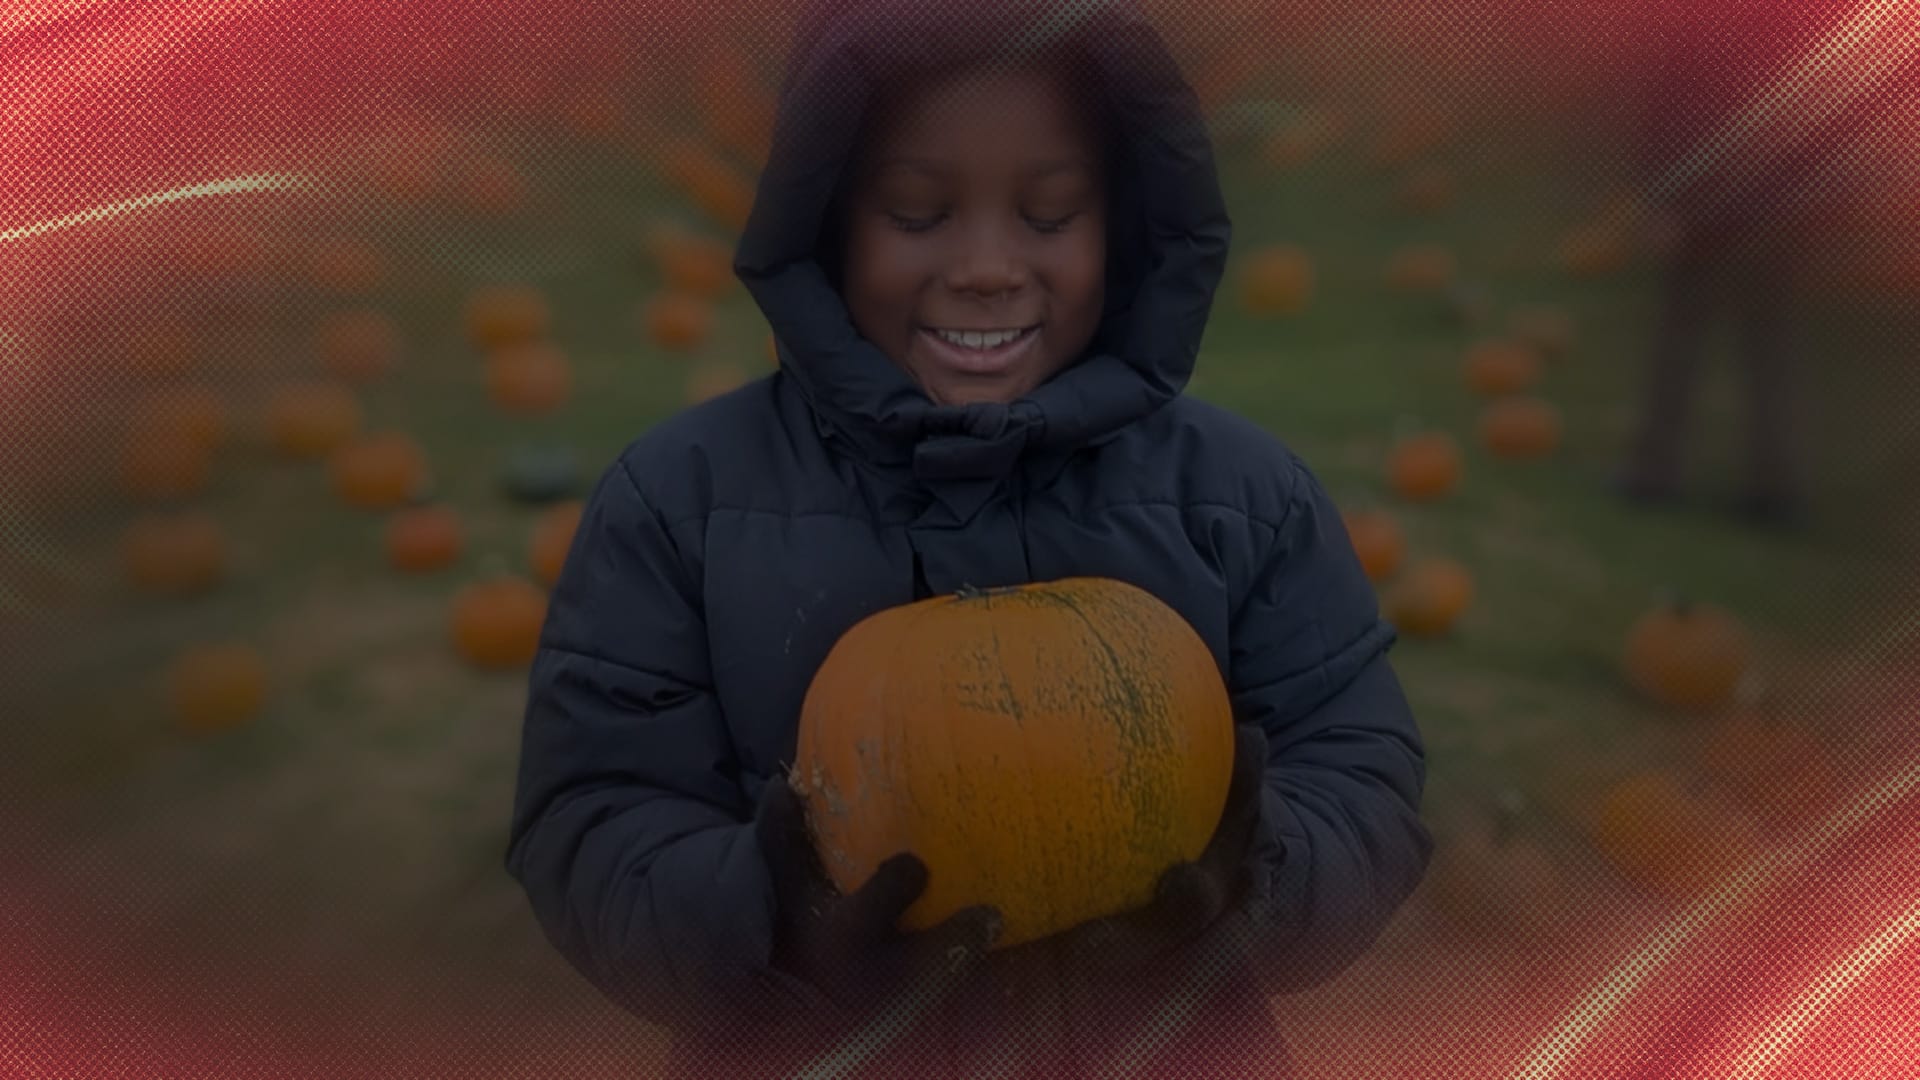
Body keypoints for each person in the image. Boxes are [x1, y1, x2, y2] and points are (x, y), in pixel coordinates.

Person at [505, 2, 1433, 1076]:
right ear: (827, 224)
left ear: (1125, 226)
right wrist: (770, 922)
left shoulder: (1240, 497)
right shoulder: (677, 503)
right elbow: (591, 818)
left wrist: (1262, 876)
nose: (988, 267)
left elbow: (1359, 765)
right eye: (915, 211)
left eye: (1049, 215)